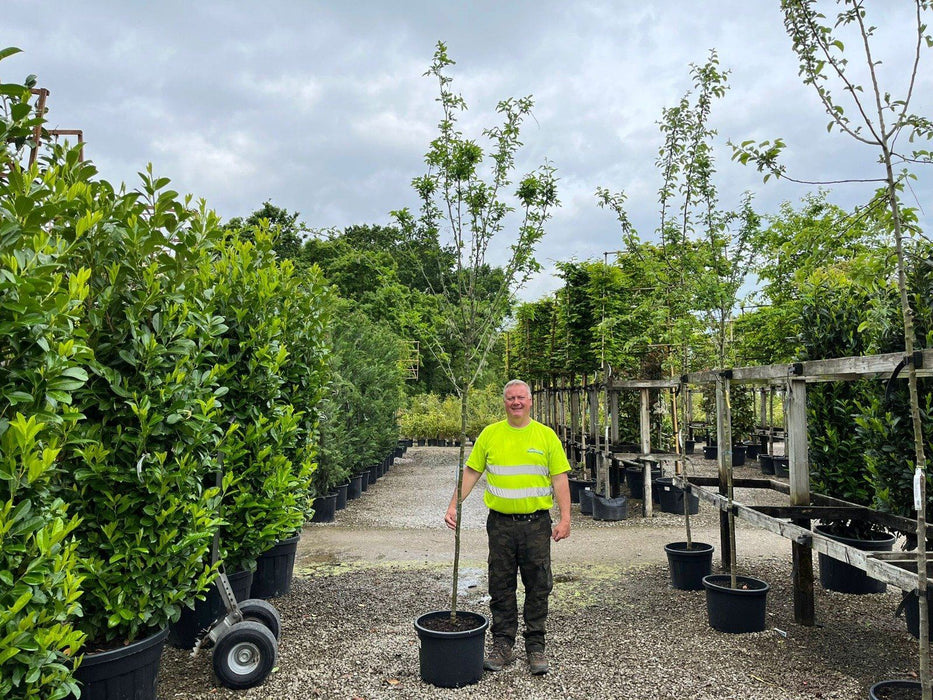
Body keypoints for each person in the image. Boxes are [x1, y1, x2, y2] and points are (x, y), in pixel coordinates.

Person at [444, 379, 571, 676]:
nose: (516, 402)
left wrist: (565, 518)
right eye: (511, 398)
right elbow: (472, 471)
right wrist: (454, 505)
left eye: (521, 398)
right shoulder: (490, 435)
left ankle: (535, 646)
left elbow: (560, 479)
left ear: (530, 401)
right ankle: (502, 644)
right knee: (501, 584)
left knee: (539, 584)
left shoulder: (546, 436)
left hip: (536, 524)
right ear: (505, 402)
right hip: (500, 525)